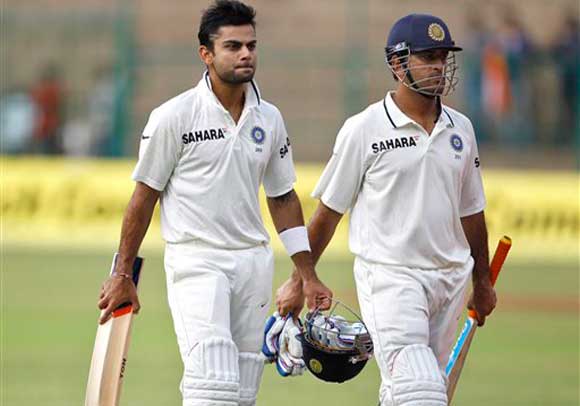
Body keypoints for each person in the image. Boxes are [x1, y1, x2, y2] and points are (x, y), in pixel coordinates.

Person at [96, 1, 332, 405]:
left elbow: (282, 198)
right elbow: (144, 197)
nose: (245, 54)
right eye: (233, 46)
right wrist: (123, 273)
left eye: (251, 46)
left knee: (241, 390)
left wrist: (305, 275)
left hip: (252, 262)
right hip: (197, 260)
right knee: (213, 379)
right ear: (206, 54)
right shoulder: (175, 116)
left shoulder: (269, 119)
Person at [277, 14, 496, 405]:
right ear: (397, 64)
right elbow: (328, 213)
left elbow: (472, 212)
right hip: (390, 277)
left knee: (404, 392)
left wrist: (482, 279)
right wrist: (300, 280)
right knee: (422, 390)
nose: (438, 67)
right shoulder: (364, 129)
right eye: (427, 57)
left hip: (450, 278)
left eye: (443, 57)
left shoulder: (461, 129)